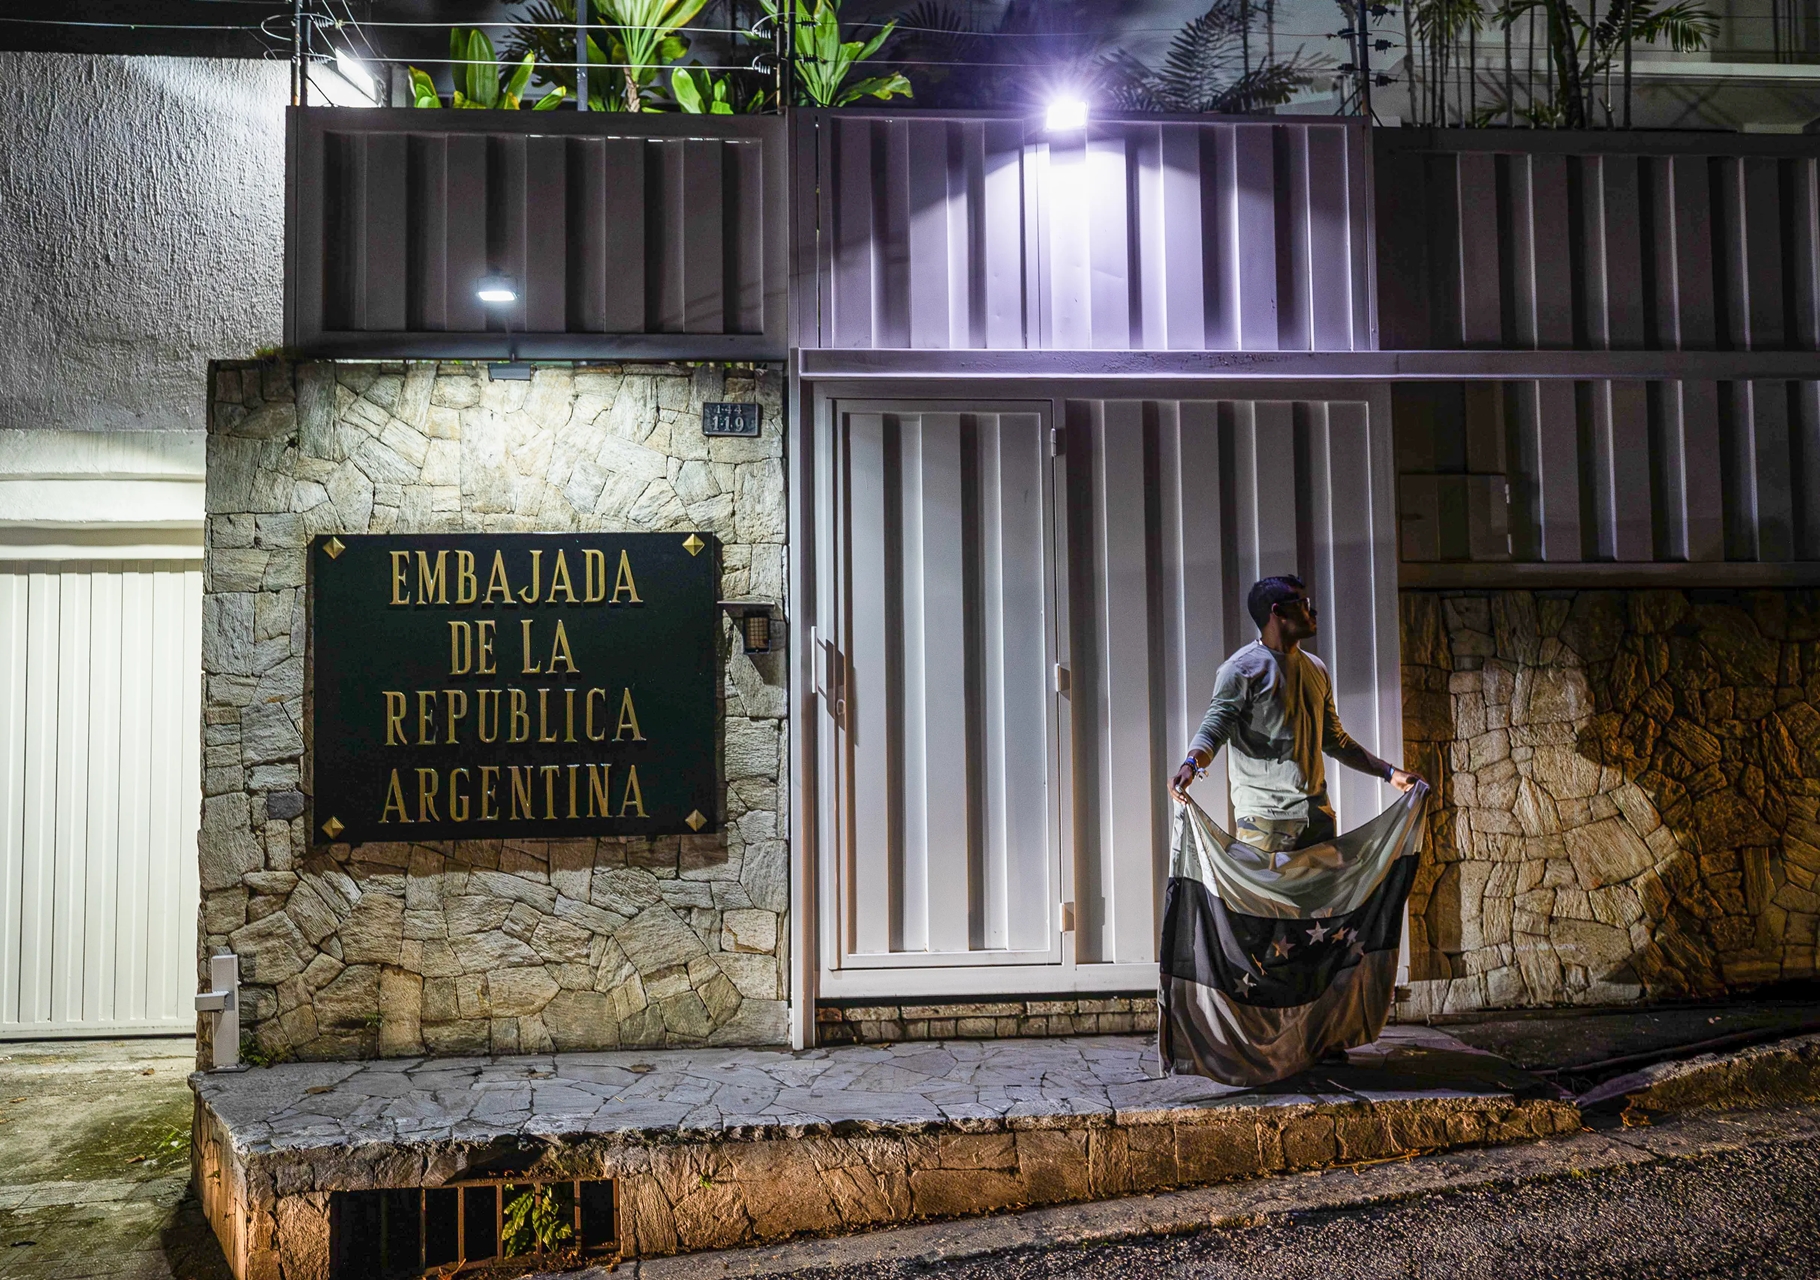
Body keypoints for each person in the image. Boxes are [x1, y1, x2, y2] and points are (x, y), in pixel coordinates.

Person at [1169, 575, 1421, 853]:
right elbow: (1213, 729)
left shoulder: (1316, 668)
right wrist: (1190, 766)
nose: (1312, 612)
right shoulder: (1241, 670)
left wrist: (1389, 773)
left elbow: (1335, 740)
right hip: (1267, 822)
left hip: (1317, 819)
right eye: (1304, 603)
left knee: (1326, 897)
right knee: (1272, 899)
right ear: (1277, 612)